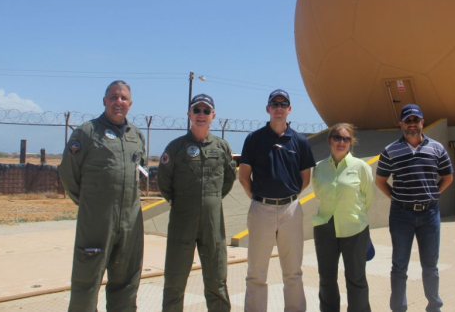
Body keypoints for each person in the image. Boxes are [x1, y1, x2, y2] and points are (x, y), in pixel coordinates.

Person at [59, 80, 146, 312]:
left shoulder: (136, 135)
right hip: (97, 220)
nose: (119, 102)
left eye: (123, 98)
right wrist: (91, 203)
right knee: (87, 280)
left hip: (129, 221)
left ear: (130, 104)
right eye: (114, 97)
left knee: (127, 279)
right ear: (104, 101)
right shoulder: (87, 133)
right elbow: (69, 173)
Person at [238, 89, 316, 312]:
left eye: (283, 104)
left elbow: (305, 178)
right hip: (261, 209)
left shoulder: (300, 141)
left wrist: (288, 198)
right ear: (268, 109)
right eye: (275, 104)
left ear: (289, 109)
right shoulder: (254, 139)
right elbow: (244, 177)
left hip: (291, 210)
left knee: (293, 271)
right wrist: (261, 199)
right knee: (256, 273)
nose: (279, 108)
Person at [157, 94, 237, 311]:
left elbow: (228, 180)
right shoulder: (175, 148)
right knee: (174, 281)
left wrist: (210, 200)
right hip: (182, 222)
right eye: (197, 110)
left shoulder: (221, 147)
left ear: (213, 116)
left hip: (212, 224)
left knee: (217, 280)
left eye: (206, 111)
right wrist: (184, 202)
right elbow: (164, 182)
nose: (201, 115)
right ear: (189, 114)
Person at [374, 104, 454, 312]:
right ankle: (399, 309)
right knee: (399, 266)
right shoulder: (390, 151)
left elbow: (448, 177)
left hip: (429, 214)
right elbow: (381, 180)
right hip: (402, 215)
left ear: (422, 122)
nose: (412, 125)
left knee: (430, 266)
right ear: (401, 124)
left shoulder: (436, 148)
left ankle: (434, 306)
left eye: (415, 120)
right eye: (407, 121)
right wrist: (397, 198)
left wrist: (433, 193)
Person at [312, 123, 374, 312]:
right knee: (327, 278)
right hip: (325, 228)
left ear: (351, 142)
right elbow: (319, 194)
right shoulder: (319, 168)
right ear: (330, 140)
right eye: (337, 137)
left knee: (356, 278)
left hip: (354, 229)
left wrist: (353, 215)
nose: (341, 142)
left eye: (346, 139)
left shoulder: (361, 167)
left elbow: (368, 197)